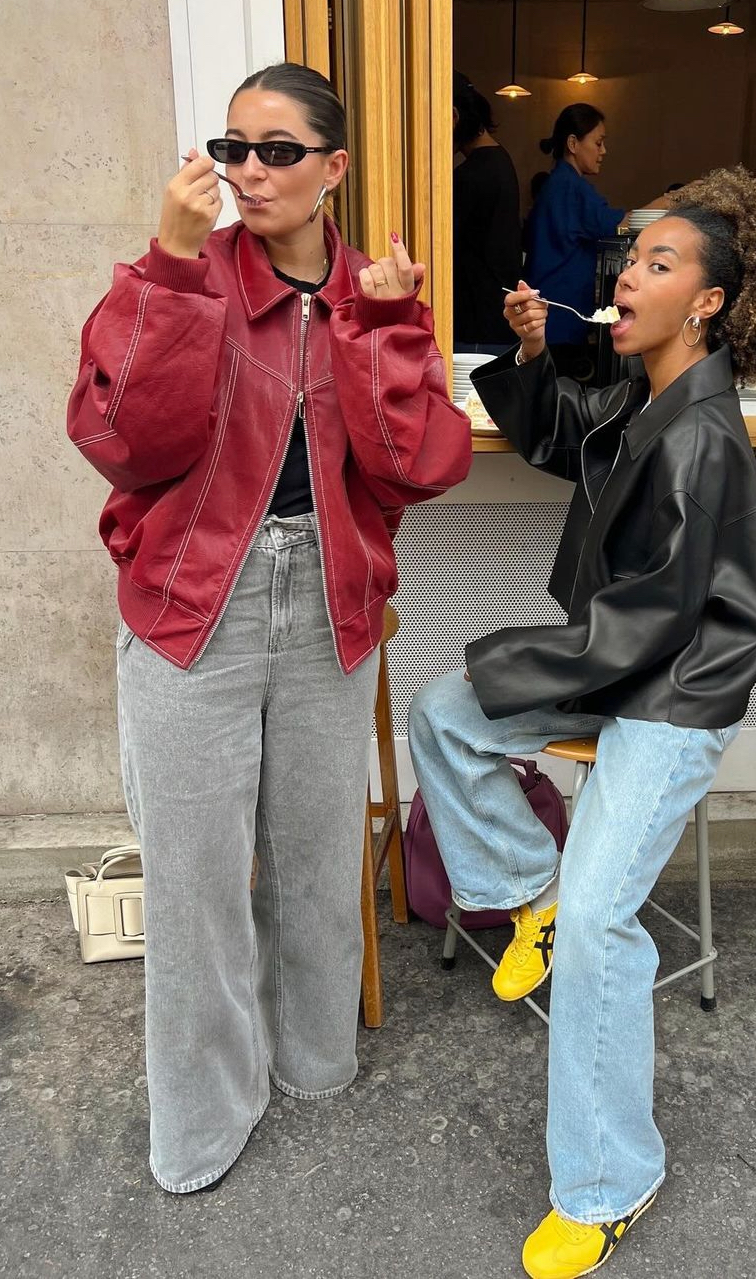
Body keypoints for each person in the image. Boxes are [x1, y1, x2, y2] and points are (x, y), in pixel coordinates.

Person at [409, 167, 756, 1279]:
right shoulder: (654, 393)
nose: (625, 273)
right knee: (443, 712)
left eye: (656, 263)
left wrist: (509, 660)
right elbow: (567, 435)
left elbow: (647, 627)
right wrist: (540, 352)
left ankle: (609, 1183)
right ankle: (519, 894)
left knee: (604, 926)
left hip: (673, 692)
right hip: (622, 659)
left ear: (706, 303)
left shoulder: (700, 436)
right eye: (628, 258)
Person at [67, 62, 472, 1194]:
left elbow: (415, 466)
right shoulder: (184, 275)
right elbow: (125, 442)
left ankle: (311, 1059)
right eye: (233, 146)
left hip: (330, 604)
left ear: (332, 169)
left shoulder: (368, 296)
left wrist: (390, 323)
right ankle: (199, 1120)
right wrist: (169, 269)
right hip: (199, 599)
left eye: (277, 150)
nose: (247, 170)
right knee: (195, 881)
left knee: (313, 854)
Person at [523, 105, 669, 379]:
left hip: (553, 316)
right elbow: (622, 224)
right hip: (560, 317)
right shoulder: (569, 186)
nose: (604, 152)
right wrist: (672, 200)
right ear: (573, 144)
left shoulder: (559, 184)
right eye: (598, 142)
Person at [453, 70, 522, 348]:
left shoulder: (471, 175)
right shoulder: (499, 159)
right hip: (497, 316)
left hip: (477, 323)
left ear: (453, 118)